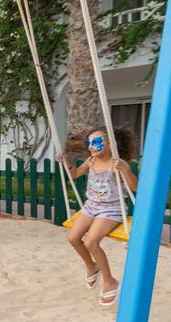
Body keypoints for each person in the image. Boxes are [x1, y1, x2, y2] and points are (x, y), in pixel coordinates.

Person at [58, 128, 138, 307]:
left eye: (97, 143)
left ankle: (109, 280)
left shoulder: (117, 164)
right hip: (91, 206)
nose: (92, 147)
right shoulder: (91, 160)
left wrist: (125, 169)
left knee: (91, 242)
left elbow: (134, 187)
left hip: (112, 209)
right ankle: (91, 266)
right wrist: (67, 165)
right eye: (90, 143)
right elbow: (76, 174)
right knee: (72, 237)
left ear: (112, 144)